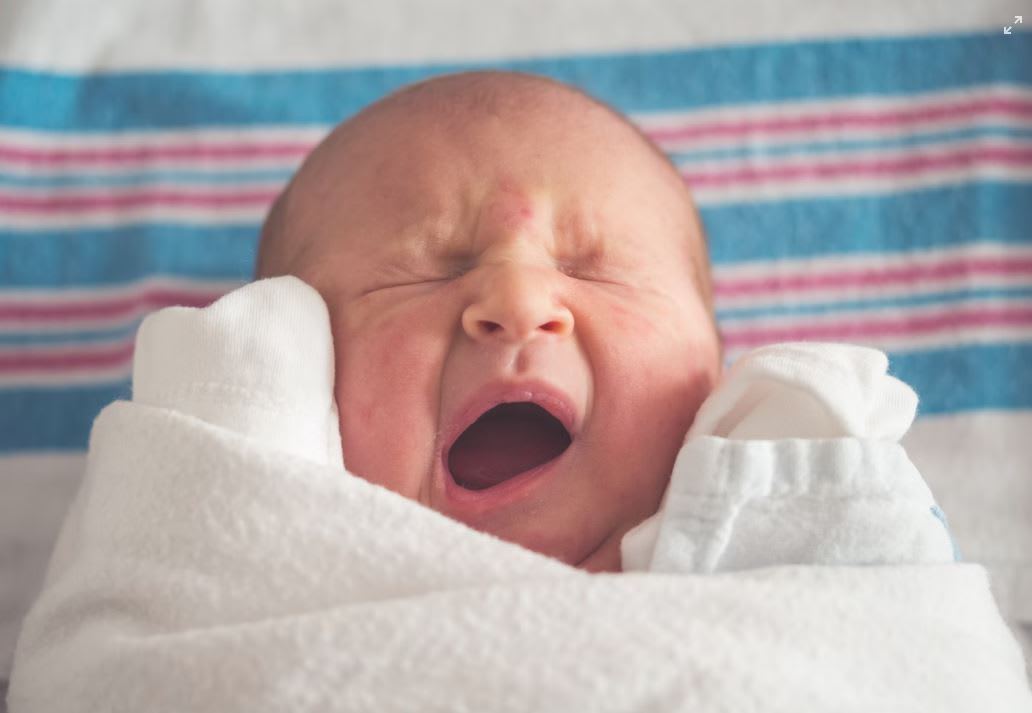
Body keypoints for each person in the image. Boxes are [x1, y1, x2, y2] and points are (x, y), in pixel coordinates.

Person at [254, 69, 955, 573]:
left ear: (715, 377)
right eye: (423, 271)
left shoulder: (817, 537)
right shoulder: (239, 566)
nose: (519, 303)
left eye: (594, 268)